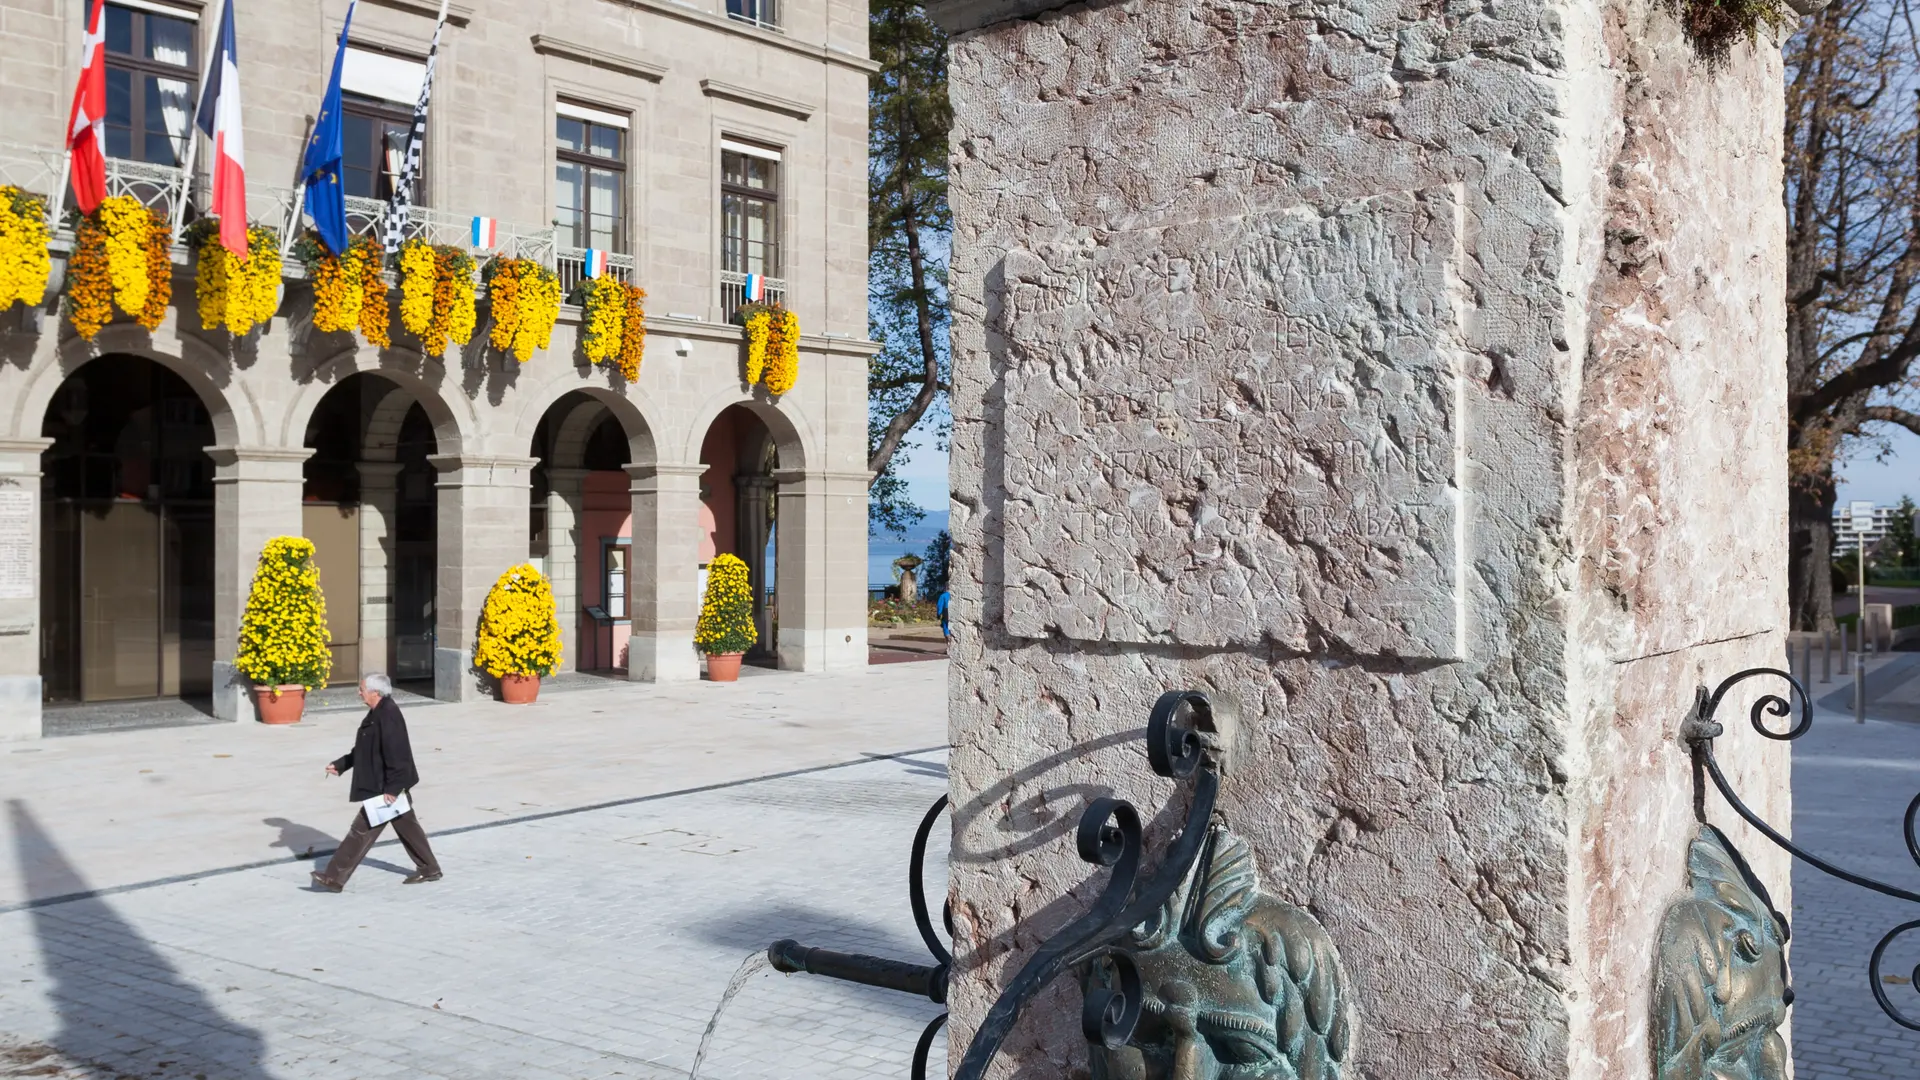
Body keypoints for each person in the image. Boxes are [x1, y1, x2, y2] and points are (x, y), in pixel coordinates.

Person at [310, 673, 443, 892]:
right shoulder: (377, 712)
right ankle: (429, 868)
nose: (359, 692)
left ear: (375, 692)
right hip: (385, 783)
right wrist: (342, 764)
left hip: (384, 785)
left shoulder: (388, 715)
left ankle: (334, 878)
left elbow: (398, 754)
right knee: (407, 826)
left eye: (362, 688)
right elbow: (365, 750)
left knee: (360, 831)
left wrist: (393, 788)